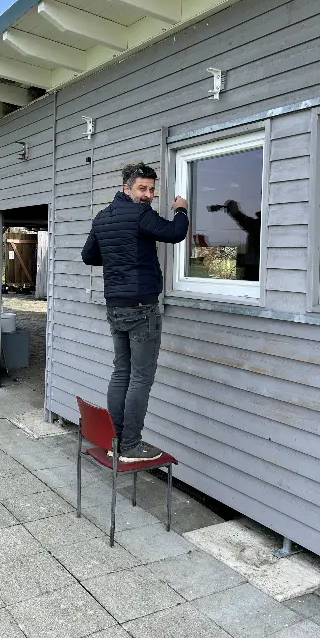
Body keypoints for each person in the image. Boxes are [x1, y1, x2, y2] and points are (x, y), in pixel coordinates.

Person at [81, 163, 189, 462]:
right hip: (141, 308)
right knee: (140, 378)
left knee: (121, 373)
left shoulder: (103, 217)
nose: (148, 195)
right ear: (126, 188)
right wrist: (181, 209)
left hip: (115, 306)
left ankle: (115, 439)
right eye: (142, 188)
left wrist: (119, 256)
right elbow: (175, 233)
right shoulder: (140, 214)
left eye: (152, 190)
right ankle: (130, 445)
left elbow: (89, 255)